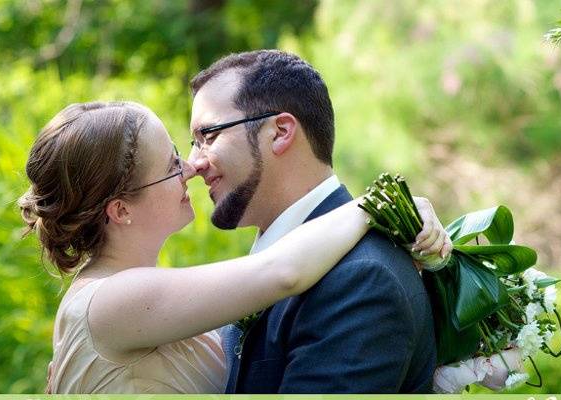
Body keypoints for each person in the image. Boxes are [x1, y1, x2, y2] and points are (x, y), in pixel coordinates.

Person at [19, 101, 449, 393]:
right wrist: (377, 203)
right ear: (120, 210)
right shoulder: (114, 301)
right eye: (171, 165)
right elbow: (281, 272)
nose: (191, 167)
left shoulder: (128, 295)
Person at [188, 50, 450, 394]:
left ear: (280, 132)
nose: (194, 163)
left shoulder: (361, 279)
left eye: (208, 136)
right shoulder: (275, 262)